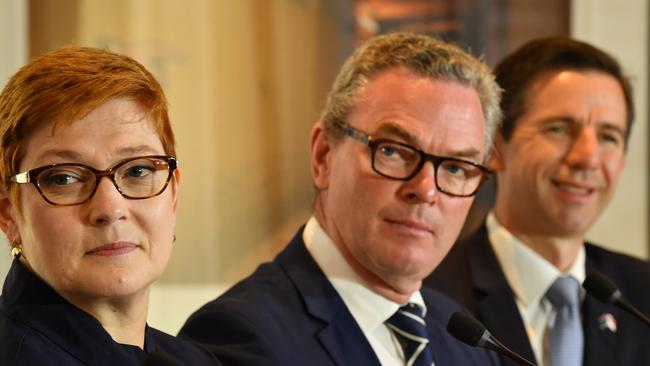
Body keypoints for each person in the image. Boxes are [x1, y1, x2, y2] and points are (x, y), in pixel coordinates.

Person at [179, 32, 502, 365]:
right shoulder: (239, 337)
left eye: (456, 168)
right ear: (323, 156)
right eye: (392, 151)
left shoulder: (470, 345)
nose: (425, 190)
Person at [424, 37, 650, 366]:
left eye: (608, 137)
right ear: (495, 147)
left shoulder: (641, 297)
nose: (587, 158)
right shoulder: (430, 294)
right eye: (559, 129)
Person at [0, 46, 220, 365]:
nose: (109, 208)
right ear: (9, 214)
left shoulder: (193, 359)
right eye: (63, 179)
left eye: (138, 170)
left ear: (173, 193)